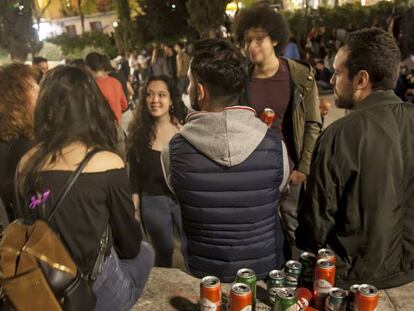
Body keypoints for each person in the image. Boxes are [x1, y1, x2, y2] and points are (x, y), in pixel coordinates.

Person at [17, 65, 154, 310]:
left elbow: (27, 221)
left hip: (42, 283)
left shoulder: (26, 162)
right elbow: (130, 244)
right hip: (92, 289)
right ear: (92, 105)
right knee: (146, 252)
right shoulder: (106, 162)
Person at [161, 38, 290, 282]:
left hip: (206, 279)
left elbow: (176, 192)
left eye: (190, 82)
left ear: (200, 91)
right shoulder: (274, 145)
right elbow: (279, 189)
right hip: (263, 276)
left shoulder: (174, 151)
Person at [295, 28, 414, 289]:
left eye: (338, 73)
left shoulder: (340, 135)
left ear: (361, 79)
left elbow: (315, 224)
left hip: (357, 282)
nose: (333, 80)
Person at [233, 4, 322, 246]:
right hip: (255, 173)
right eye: (246, 40)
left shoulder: (300, 75)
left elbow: (313, 123)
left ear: (274, 39)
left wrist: (303, 167)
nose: (251, 46)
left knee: (295, 229)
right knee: (258, 231)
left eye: (259, 39)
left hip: (291, 172)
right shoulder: (241, 78)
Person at [128, 75, 187, 267]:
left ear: (171, 100)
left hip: (182, 201)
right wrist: (134, 205)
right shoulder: (139, 132)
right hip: (152, 201)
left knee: (190, 250)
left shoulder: (184, 131)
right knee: (163, 253)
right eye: (150, 94)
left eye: (161, 95)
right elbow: (134, 174)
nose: (155, 100)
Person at [0, 63, 39, 220]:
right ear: (19, 97)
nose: (39, 89)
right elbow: (33, 202)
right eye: (33, 86)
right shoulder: (28, 149)